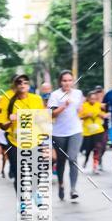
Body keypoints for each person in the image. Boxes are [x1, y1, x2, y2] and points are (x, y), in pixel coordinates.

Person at [0, 74, 45, 195]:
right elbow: (2, 125)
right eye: (19, 83)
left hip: (34, 141)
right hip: (15, 143)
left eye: (25, 82)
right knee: (19, 176)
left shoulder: (36, 99)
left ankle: (34, 194)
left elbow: (43, 120)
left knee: (37, 174)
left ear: (29, 85)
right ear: (15, 86)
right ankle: (22, 202)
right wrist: (10, 120)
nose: (22, 85)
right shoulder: (8, 101)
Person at [47, 70, 84, 201]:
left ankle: (73, 189)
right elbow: (51, 114)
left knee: (73, 159)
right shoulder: (55, 95)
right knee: (61, 161)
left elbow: (80, 110)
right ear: (60, 82)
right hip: (59, 133)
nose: (67, 83)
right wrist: (63, 106)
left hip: (75, 130)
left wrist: (81, 110)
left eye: (69, 80)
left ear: (73, 81)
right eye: (64, 80)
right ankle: (61, 184)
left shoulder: (78, 93)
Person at [79, 90, 107, 174]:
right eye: (91, 99)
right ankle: (86, 161)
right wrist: (86, 115)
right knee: (88, 150)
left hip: (98, 130)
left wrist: (101, 114)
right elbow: (80, 116)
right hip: (88, 132)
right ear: (88, 99)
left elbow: (104, 115)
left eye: (95, 99)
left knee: (97, 148)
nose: (93, 100)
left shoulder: (99, 105)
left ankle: (95, 166)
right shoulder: (84, 105)